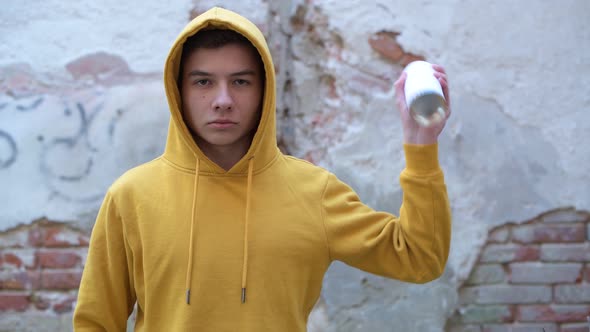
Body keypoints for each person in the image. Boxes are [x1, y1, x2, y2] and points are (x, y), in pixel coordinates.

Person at [73, 6, 451, 332]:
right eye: (203, 82)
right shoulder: (131, 196)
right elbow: (96, 322)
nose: (223, 100)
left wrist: (422, 146)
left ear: (264, 91)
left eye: (240, 82)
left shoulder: (312, 191)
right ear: (179, 92)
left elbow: (420, 258)